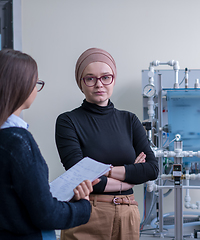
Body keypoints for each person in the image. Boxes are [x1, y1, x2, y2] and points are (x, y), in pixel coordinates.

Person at [55, 48, 159, 240]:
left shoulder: (129, 120)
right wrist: (131, 176)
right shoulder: (68, 121)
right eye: (90, 78)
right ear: (81, 82)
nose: (99, 84)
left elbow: (152, 169)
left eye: (105, 77)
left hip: (128, 213)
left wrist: (105, 171)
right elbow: (80, 176)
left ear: (114, 79)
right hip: (87, 213)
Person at [0, 49, 98, 240]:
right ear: (21, 86)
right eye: (36, 83)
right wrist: (83, 205)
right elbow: (45, 214)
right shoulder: (18, 141)